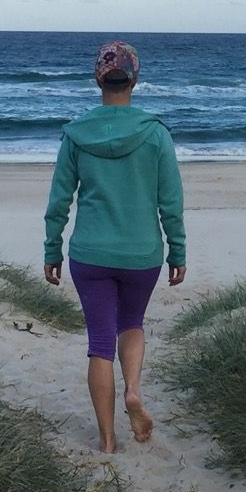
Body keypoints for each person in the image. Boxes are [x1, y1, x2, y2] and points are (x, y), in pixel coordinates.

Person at [44, 40, 187, 453]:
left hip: (90, 254)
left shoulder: (75, 135)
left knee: (99, 344)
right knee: (133, 324)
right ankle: (134, 391)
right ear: (135, 80)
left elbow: (59, 200)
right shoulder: (156, 134)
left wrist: (52, 249)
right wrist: (177, 251)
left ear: (98, 78)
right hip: (142, 254)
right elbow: (171, 202)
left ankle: (107, 442)